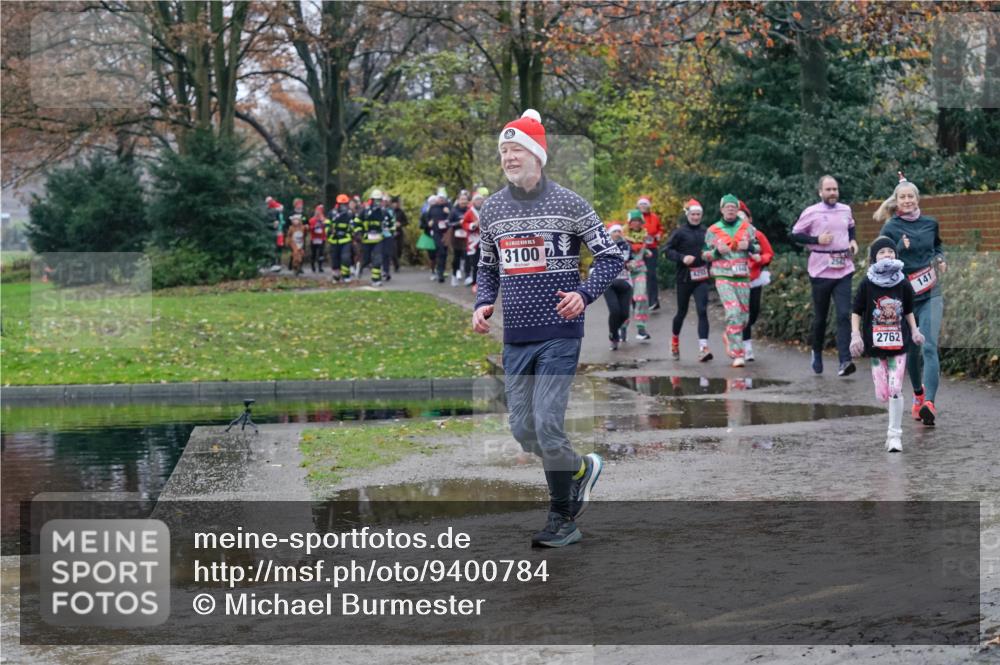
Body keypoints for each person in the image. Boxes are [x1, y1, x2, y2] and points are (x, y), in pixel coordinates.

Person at [472, 109, 623, 548]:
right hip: (516, 336)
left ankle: (563, 519)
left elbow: (610, 257)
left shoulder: (571, 203)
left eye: (516, 148)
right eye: (503, 150)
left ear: (537, 154)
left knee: (547, 423)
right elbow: (487, 264)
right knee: (523, 430)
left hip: (560, 331)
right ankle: (578, 470)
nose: (508, 156)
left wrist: (584, 293)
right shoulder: (493, 209)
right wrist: (483, 303)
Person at [875, 175, 946, 426]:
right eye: (902, 197)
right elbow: (881, 259)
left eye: (911, 196)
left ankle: (930, 403)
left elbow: (937, 247)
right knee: (913, 351)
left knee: (928, 345)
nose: (907, 200)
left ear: (917, 199)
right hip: (905, 298)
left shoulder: (930, 223)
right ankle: (918, 395)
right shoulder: (891, 228)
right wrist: (898, 247)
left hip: (930, 293)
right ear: (896, 201)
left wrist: (941, 259)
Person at [850, 236, 926, 451]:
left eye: (890, 252)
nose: (887, 255)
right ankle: (892, 432)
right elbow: (856, 311)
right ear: (874, 257)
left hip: (899, 345)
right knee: (882, 392)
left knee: (895, 388)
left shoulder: (902, 282)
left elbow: (909, 310)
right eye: (882, 252)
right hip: (875, 347)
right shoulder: (867, 283)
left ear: (896, 255)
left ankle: (895, 436)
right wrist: (856, 335)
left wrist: (914, 330)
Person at [790, 175, 859, 376]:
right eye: (828, 190)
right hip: (820, 270)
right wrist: (816, 239)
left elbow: (851, 227)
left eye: (835, 189)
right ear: (820, 192)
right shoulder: (811, 212)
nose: (832, 193)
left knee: (844, 314)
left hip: (844, 268)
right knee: (820, 317)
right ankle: (817, 352)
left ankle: (845, 361)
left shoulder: (845, 209)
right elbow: (794, 235)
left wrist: (853, 241)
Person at [702, 194, 762, 367]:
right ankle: (738, 353)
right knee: (734, 312)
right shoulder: (713, 230)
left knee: (744, 317)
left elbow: (758, 247)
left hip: (742, 275)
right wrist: (715, 252)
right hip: (723, 275)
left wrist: (749, 247)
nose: (730, 209)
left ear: (738, 210)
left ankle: (729, 335)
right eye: (727, 207)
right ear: (721, 210)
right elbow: (704, 254)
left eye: (733, 207)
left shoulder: (747, 228)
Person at [664, 198, 713, 362]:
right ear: (688, 215)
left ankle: (703, 348)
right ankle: (674, 341)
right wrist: (682, 257)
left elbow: (712, 250)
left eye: (698, 214)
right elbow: (667, 251)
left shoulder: (706, 232)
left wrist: (710, 259)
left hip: (701, 278)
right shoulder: (680, 232)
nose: (696, 217)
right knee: (682, 312)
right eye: (693, 214)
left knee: (702, 310)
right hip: (684, 278)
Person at [739, 200, 774, 362]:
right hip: (736, 280)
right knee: (743, 314)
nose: (740, 221)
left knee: (754, 312)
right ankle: (747, 348)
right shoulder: (729, 237)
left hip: (754, 278)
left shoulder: (757, 235)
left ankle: (736, 332)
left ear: (749, 219)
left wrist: (761, 259)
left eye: (743, 217)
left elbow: (769, 254)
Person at [603, 223, 633, 350]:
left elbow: (631, 260)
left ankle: (615, 331)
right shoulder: (603, 246)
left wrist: (632, 264)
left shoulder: (626, 245)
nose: (617, 234)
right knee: (615, 311)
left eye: (619, 231)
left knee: (625, 314)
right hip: (609, 284)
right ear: (609, 234)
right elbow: (595, 265)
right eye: (614, 231)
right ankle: (614, 336)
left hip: (625, 283)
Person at [625, 210, 653, 341]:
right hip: (625, 273)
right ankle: (621, 329)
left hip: (640, 269)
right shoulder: (622, 235)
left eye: (638, 221)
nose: (636, 223)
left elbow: (641, 248)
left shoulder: (645, 235)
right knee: (624, 302)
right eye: (633, 221)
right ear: (629, 222)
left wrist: (646, 251)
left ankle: (641, 328)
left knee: (641, 297)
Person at [637, 196, 664, 311]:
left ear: (648, 206)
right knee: (637, 274)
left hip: (652, 248)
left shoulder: (654, 217)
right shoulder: (635, 217)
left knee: (651, 274)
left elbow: (660, 229)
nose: (643, 206)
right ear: (638, 206)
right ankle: (636, 300)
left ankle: (654, 301)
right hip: (637, 250)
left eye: (645, 204)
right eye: (641, 205)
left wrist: (659, 235)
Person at [358, 188, 386, 286]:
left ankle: (376, 279)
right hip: (366, 239)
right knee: (366, 259)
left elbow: (386, 224)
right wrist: (358, 232)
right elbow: (357, 222)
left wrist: (388, 231)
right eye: (376, 200)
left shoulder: (382, 212)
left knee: (377, 259)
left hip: (378, 239)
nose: (377, 202)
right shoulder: (365, 211)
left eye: (379, 200)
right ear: (372, 200)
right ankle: (360, 268)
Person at [328, 194, 354, 283]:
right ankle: (336, 276)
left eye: (345, 204)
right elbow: (327, 224)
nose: (343, 207)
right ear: (337, 204)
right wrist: (329, 232)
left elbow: (353, 225)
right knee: (335, 258)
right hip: (334, 240)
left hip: (345, 239)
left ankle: (346, 275)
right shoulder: (332, 213)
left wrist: (352, 232)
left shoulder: (350, 214)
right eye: (341, 204)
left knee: (345, 257)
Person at [462, 191, 485, 286]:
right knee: (475, 261)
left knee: (485, 261)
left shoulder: (486, 210)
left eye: (480, 200)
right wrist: (473, 225)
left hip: (485, 239)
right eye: (477, 200)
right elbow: (464, 223)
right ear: (474, 202)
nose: (479, 202)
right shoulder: (469, 212)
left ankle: (484, 281)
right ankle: (475, 281)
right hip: (474, 240)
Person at [427, 195, 451, 283]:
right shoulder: (433, 208)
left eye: (442, 199)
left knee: (444, 253)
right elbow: (428, 219)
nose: (440, 200)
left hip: (446, 233)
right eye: (439, 198)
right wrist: (429, 223)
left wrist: (448, 213)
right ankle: (440, 273)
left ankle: (442, 270)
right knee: (440, 251)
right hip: (436, 232)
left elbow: (452, 218)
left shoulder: (448, 207)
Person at [448, 193, 470, 286]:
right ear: (458, 200)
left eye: (465, 199)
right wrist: (458, 223)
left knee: (467, 256)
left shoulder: (470, 210)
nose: (463, 201)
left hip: (467, 236)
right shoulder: (454, 211)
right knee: (457, 257)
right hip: (456, 237)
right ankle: (454, 275)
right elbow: (448, 223)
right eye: (462, 199)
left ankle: (468, 276)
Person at [377, 193, 396, 282]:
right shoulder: (376, 210)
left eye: (385, 201)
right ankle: (378, 271)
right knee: (378, 253)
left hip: (387, 235)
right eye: (382, 201)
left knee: (386, 254)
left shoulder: (390, 211)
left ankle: (386, 271)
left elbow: (393, 222)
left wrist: (391, 231)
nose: (383, 203)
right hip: (377, 235)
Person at [390, 196, 408, 272]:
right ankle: (396, 265)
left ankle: (397, 260)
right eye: (393, 203)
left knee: (399, 249)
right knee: (394, 250)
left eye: (396, 203)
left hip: (399, 232)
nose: (395, 205)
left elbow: (406, 222)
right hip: (391, 233)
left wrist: (400, 224)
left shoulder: (401, 212)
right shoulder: (389, 211)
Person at [308, 205, 327, 273]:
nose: (318, 213)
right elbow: (309, 228)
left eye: (320, 211)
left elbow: (327, 227)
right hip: (314, 238)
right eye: (317, 211)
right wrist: (314, 227)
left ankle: (320, 267)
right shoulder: (312, 220)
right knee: (313, 253)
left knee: (321, 253)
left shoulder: (324, 219)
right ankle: (313, 266)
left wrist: (323, 223)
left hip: (322, 239)